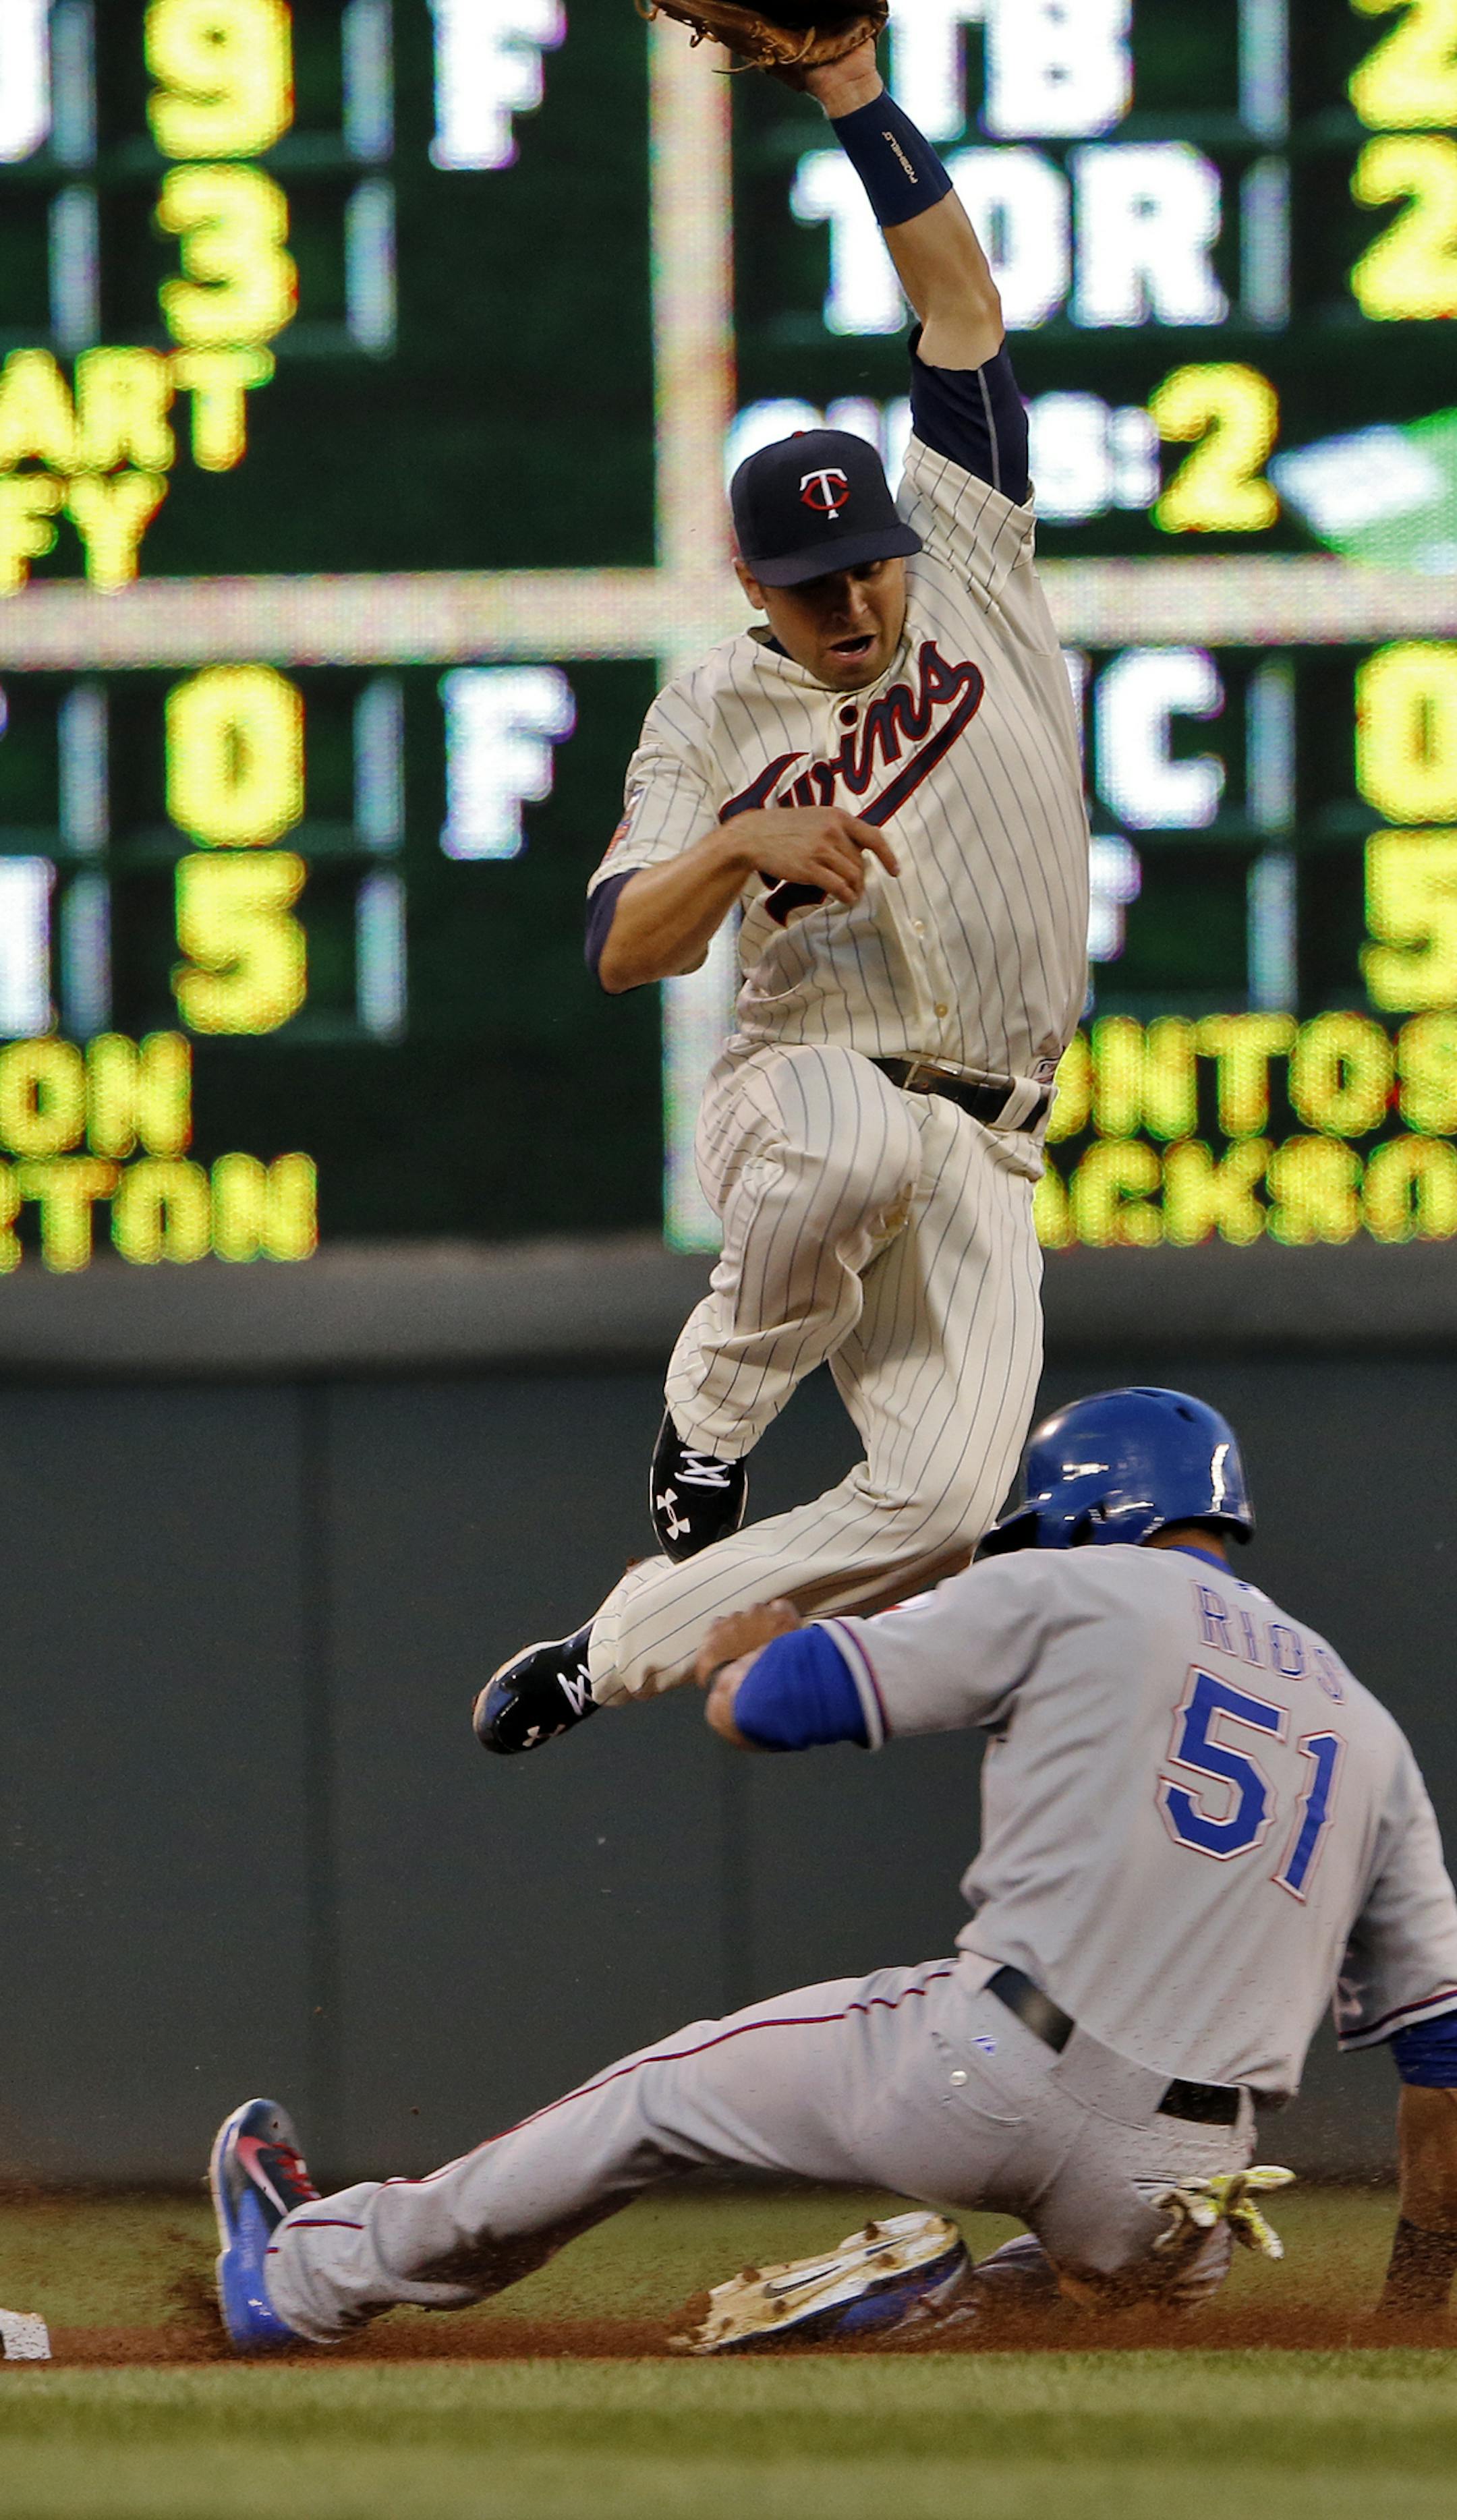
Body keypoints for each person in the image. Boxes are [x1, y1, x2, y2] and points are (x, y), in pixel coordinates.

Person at [210, 1388, 1457, 2351]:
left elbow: (780, 1706)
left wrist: (755, 1655)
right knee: (1103, 2302)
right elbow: (1443, 2065)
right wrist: (1419, 2299)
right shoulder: (1369, 1729)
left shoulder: (1076, 1583)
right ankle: (932, 2302)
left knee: (656, 2096)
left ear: (1082, 1512)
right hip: (1186, 2185)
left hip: (988, 2067)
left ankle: (309, 2279)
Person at [473, 23, 1089, 1755]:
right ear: (752, 574)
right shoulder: (711, 714)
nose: (859, 611)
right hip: (798, 1108)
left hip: (997, 1135)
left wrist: (850, 96)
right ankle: (713, 1415)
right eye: (816, 586)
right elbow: (619, 950)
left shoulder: (966, 559)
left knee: (950, 1504)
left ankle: (607, 1653)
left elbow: (957, 309)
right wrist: (740, 842)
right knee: (859, 1135)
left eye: (870, 570)